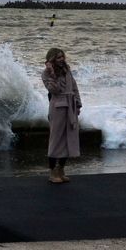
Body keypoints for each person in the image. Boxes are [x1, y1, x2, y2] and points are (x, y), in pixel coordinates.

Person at [41, 48, 81, 183]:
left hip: (71, 106)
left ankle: (61, 169)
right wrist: (52, 73)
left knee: (69, 139)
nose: (61, 59)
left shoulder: (67, 70)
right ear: (51, 59)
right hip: (57, 108)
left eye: (62, 57)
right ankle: (52, 172)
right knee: (56, 140)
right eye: (58, 58)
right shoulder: (46, 74)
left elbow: (74, 88)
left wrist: (78, 104)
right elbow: (54, 90)